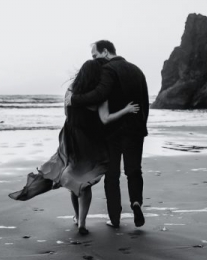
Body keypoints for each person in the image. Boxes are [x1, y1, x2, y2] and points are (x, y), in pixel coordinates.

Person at [9, 58, 139, 236]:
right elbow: (105, 119)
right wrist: (125, 110)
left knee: (72, 177)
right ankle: (82, 224)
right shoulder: (100, 96)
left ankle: (77, 218)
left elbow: (66, 112)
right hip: (89, 140)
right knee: (84, 182)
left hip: (69, 138)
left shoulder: (70, 91)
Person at [67, 40, 149, 228]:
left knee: (112, 176)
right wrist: (141, 125)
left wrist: (74, 99)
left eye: (95, 56)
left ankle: (115, 218)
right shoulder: (137, 70)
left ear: (105, 52)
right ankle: (136, 202)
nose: (94, 60)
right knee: (134, 170)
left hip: (113, 131)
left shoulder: (108, 70)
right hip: (136, 130)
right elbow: (144, 102)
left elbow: (99, 94)